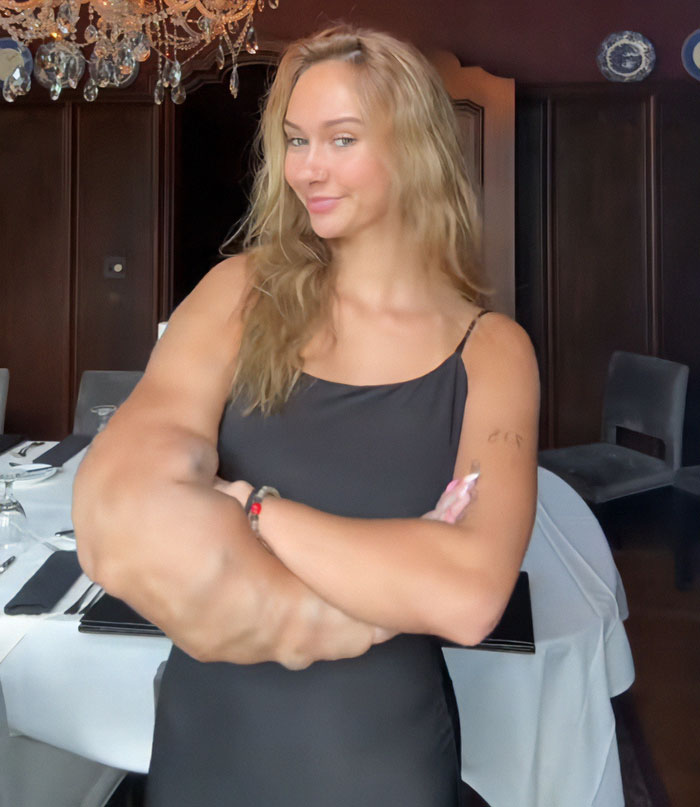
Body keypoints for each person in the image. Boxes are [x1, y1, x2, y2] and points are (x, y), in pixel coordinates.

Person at [72, 24, 539, 807]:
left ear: (415, 148)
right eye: (295, 140)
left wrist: (254, 509)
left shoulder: (491, 351)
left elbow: (467, 595)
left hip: (379, 755)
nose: (307, 169)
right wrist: (380, 592)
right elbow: (116, 510)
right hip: (208, 742)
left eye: (341, 138)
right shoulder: (238, 294)